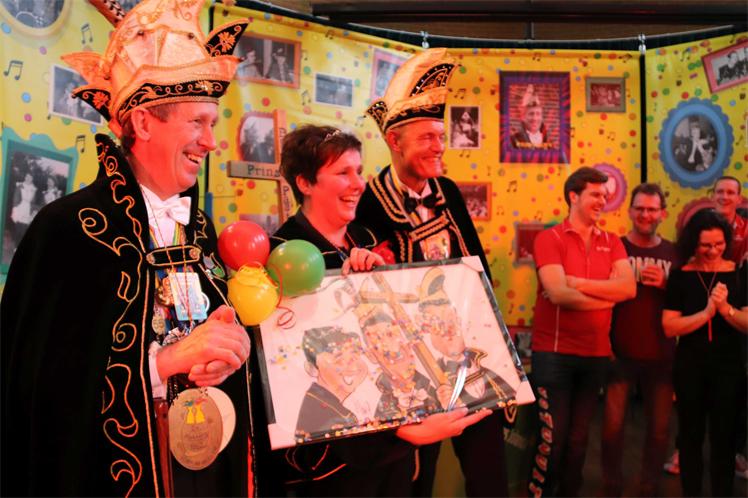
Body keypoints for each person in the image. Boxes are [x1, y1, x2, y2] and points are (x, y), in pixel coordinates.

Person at [1, 1, 255, 496]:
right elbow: (39, 391)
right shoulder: (71, 229)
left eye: (212, 123)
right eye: (197, 122)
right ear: (142, 123)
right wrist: (164, 365)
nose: (210, 142)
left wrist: (230, 351)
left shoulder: (199, 230)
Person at [270, 123, 489, 497]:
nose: (358, 184)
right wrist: (404, 431)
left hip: (395, 453)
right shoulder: (284, 253)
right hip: (339, 463)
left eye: (359, 170)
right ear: (304, 183)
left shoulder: (369, 239)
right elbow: (294, 374)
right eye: (343, 173)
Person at [356, 47, 510, 498]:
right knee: (415, 478)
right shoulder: (367, 202)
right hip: (411, 366)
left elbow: (476, 268)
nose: (439, 147)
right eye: (427, 137)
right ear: (395, 141)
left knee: (489, 471)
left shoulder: (448, 191)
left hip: (467, 355)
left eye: (440, 137)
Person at [528, 166, 636, 497]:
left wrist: (579, 284)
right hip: (553, 356)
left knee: (578, 442)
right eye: (596, 194)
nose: (603, 201)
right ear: (573, 196)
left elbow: (629, 289)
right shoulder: (549, 238)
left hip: (595, 355)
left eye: (605, 195)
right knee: (553, 441)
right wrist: (607, 298)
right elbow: (558, 293)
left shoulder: (612, 242)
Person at [662, 209, 747, 497]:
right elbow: (669, 326)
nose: (713, 250)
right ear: (692, 243)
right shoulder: (680, 276)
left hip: (729, 368)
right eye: (705, 245)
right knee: (690, 437)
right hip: (690, 367)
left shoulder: (739, 273)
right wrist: (706, 313)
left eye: (719, 244)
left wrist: (725, 310)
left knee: (725, 439)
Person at [600, 183, 677, 497]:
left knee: (659, 431)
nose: (646, 215)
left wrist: (668, 283)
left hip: (662, 356)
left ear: (662, 214)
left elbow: (689, 300)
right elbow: (600, 298)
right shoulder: (615, 248)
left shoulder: (673, 252)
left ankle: (649, 488)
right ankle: (611, 487)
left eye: (652, 209)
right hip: (619, 354)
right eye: (640, 208)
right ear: (630, 211)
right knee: (611, 428)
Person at [418, 266, 516, 409]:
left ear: (459, 321)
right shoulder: (431, 382)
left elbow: (511, 400)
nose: (447, 330)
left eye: (450, 319)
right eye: (437, 323)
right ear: (428, 333)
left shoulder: (487, 366)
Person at [295, 326, 367, 438]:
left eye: (354, 353)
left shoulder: (324, 403)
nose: (353, 366)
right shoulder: (332, 419)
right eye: (338, 358)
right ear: (313, 368)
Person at [712, 175, 747, 265]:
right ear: (712, 196)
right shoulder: (697, 226)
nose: (724, 197)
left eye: (730, 193)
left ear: (739, 199)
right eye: (720, 192)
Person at [10, 171, 37, 243]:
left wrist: (32, 213)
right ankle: (16, 246)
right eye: (27, 176)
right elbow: (15, 199)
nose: (28, 178)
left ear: (32, 179)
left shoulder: (33, 189)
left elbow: (33, 202)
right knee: (18, 229)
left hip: (28, 210)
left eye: (30, 177)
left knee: (25, 230)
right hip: (20, 208)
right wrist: (15, 209)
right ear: (25, 177)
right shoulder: (20, 186)